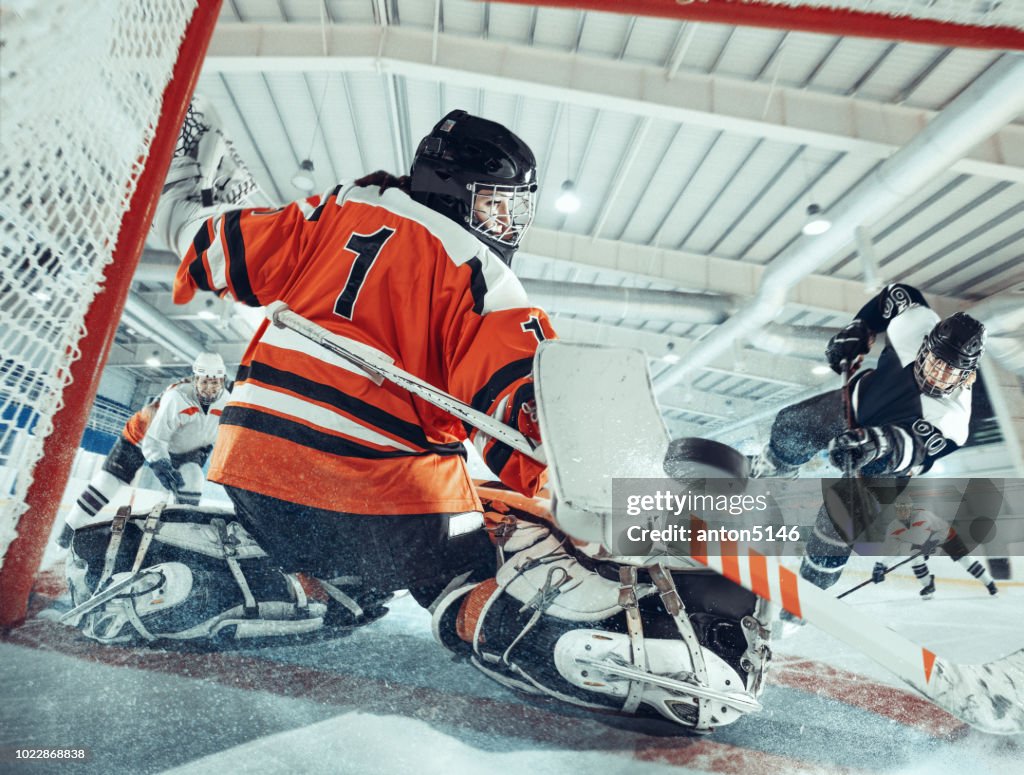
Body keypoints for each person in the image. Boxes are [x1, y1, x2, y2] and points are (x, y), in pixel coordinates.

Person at [156, 103, 553, 626]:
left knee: (367, 533)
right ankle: (486, 620)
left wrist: (181, 203)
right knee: (492, 535)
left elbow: (211, 250)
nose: (503, 224)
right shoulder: (483, 278)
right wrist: (628, 506)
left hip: (250, 478)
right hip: (370, 512)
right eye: (494, 206)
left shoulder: (333, 210)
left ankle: (315, 584)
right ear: (453, 189)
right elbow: (530, 425)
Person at [748, 282, 987, 591]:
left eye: (950, 372)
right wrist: (860, 327)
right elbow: (899, 293)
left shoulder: (953, 419)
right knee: (791, 425)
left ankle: (809, 591)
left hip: (886, 469)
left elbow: (907, 447)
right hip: (857, 405)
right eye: (935, 362)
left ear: (966, 375)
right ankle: (771, 469)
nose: (938, 375)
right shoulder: (916, 324)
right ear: (926, 345)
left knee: (835, 526)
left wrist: (876, 445)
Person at [57, 352, 229, 547]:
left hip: (186, 443)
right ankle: (68, 532)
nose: (209, 389)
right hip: (141, 436)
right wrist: (160, 463)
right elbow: (155, 439)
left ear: (223, 380)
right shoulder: (177, 398)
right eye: (204, 382)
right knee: (108, 482)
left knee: (193, 478)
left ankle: (181, 538)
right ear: (195, 379)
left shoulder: (229, 402)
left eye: (214, 382)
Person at [871, 494, 997, 599]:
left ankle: (989, 583)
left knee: (965, 560)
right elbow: (891, 549)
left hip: (946, 536)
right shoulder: (893, 527)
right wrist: (881, 565)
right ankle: (928, 585)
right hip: (923, 542)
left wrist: (927, 545)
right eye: (899, 509)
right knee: (915, 558)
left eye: (906, 509)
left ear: (911, 508)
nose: (903, 512)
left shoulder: (922, 516)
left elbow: (931, 535)